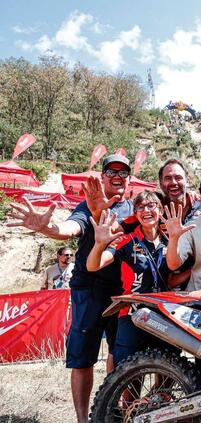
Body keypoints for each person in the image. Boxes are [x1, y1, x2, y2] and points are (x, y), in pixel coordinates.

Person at [7, 154, 134, 423]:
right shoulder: (89, 204)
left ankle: (114, 411)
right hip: (89, 289)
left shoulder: (134, 208)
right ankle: (82, 419)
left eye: (123, 172)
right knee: (83, 357)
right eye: (112, 171)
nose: (117, 177)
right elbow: (70, 228)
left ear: (129, 178)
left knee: (120, 353)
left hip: (122, 291)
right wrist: (48, 228)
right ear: (103, 177)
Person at [87, 191, 171, 365]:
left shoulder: (170, 240)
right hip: (132, 314)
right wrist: (99, 245)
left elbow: (176, 274)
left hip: (164, 314)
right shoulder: (126, 240)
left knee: (168, 366)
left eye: (151, 205)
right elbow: (93, 265)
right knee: (128, 371)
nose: (146, 210)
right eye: (140, 207)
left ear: (160, 210)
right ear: (135, 214)